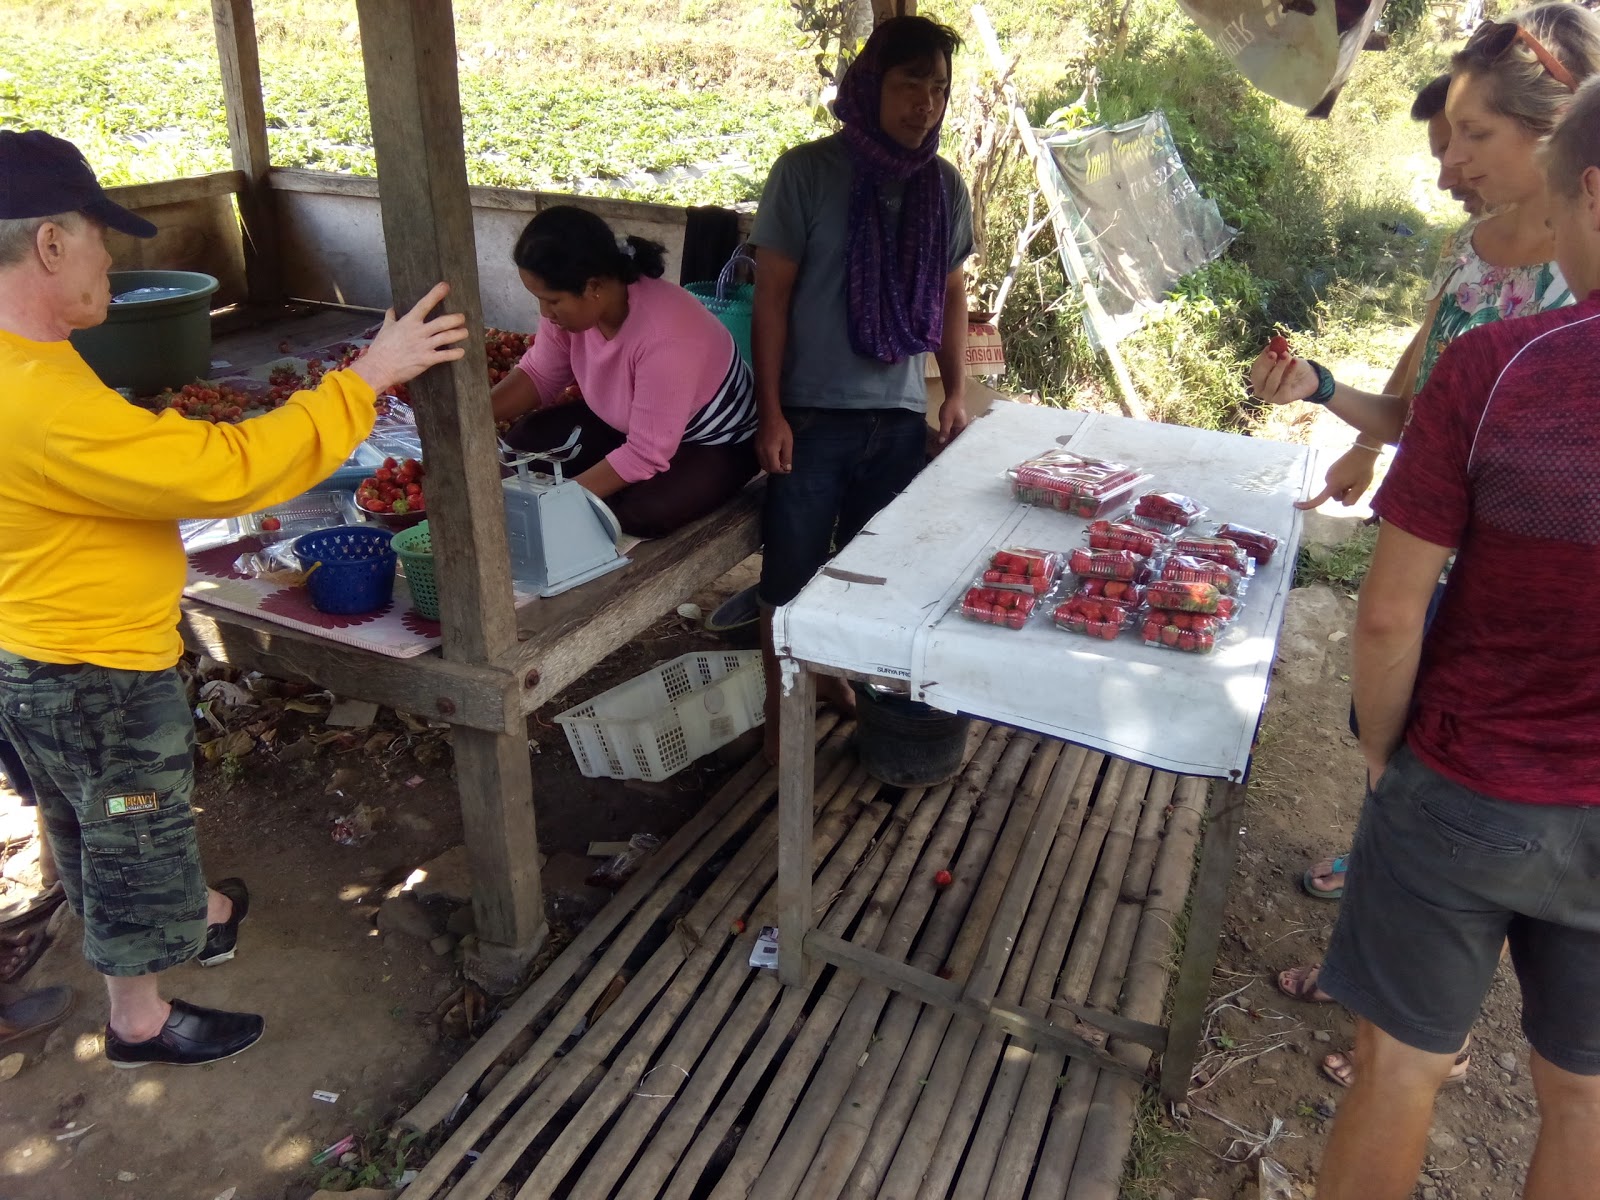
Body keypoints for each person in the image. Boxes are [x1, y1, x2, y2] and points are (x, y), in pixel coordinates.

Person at [0, 130, 467, 1068]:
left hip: (32, 650)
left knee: (86, 816)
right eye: (100, 240)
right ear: (50, 245)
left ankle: (200, 914)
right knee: (131, 823)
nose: (110, 259)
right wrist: (367, 378)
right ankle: (140, 1023)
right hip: (89, 668)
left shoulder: (32, 368)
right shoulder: (35, 397)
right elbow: (227, 472)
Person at [1269, 12, 1599, 1042]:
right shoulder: (1472, 256)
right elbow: (1418, 414)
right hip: (1434, 582)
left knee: (1468, 799)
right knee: (1416, 781)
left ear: (1556, 141)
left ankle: (1423, 1030)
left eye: (1471, 137)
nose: (1449, 163)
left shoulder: (1571, 297)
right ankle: (1393, 942)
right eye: (1444, 139)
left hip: (1511, 615)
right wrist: (1321, 389)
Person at [750, 15, 974, 757]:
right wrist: (772, 412)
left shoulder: (943, 186)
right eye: (912, 83)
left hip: (900, 418)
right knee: (789, 582)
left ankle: (842, 685)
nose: (926, 104)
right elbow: (772, 299)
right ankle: (783, 736)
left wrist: (955, 393)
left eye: (939, 88)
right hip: (812, 418)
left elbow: (951, 294)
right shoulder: (807, 173)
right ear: (872, 83)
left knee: (875, 582)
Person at [490, 205, 758, 539]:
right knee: (525, 443)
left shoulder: (664, 333)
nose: (545, 312)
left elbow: (647, 452)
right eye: (539, 299)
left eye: (553, 300)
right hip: (634, 425)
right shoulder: (574, 313)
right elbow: (538, 375)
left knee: (641, 513)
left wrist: (557, 502)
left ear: (593, 287)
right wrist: (469, 418)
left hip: (715, 441)